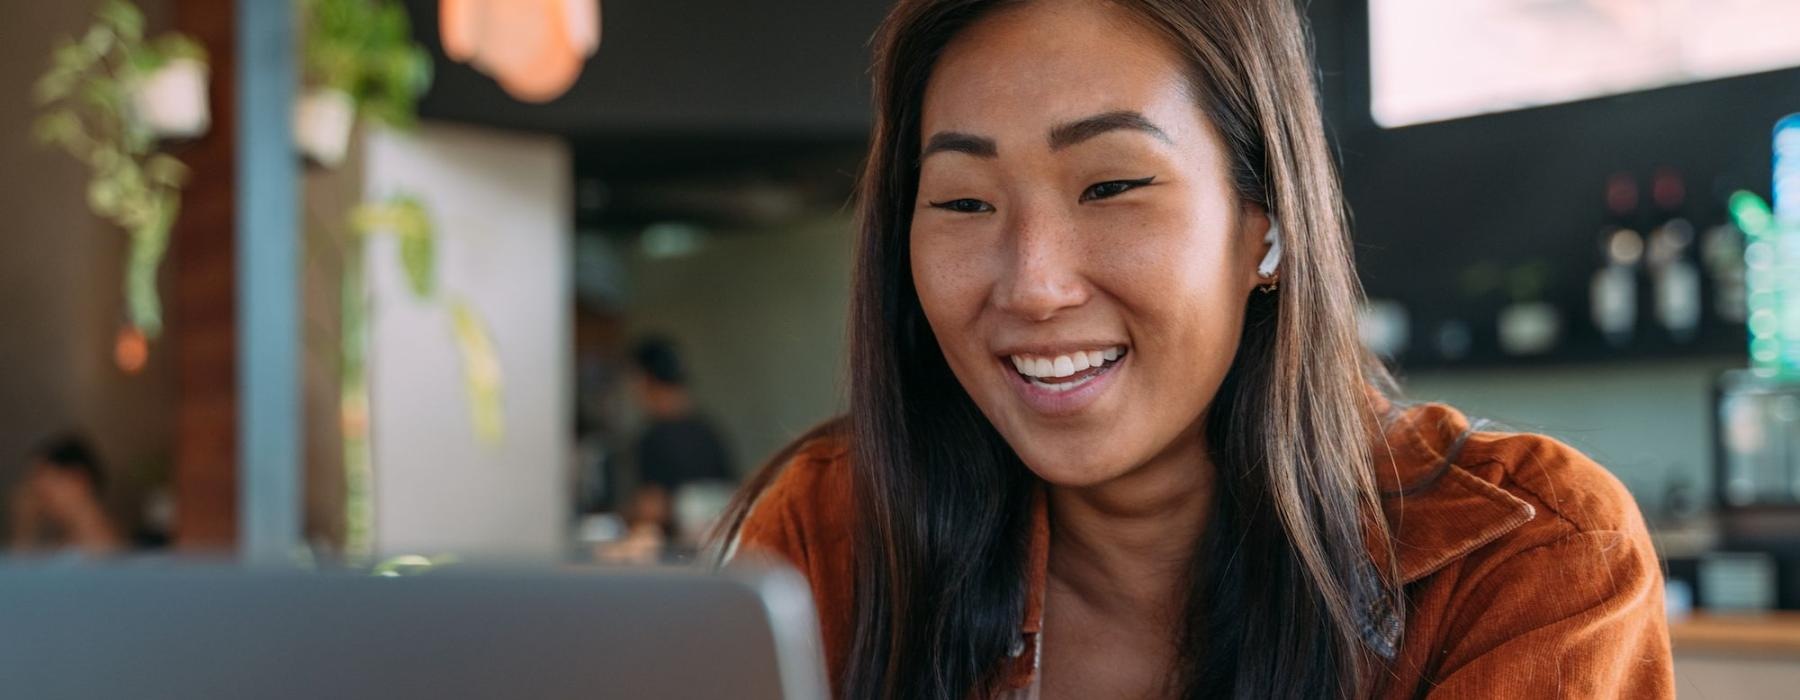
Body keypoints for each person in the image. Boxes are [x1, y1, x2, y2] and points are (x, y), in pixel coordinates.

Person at [715, 1, 1674, 698]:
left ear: (1264, 222)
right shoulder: (832, 535)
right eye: (964, 202)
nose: (1034, 285)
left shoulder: (1528, 562)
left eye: (1113, 186)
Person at [624, 337, 735, 545]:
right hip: (716, 554)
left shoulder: (654, 438)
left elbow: (652, 508)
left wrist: (624, 517)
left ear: (644, 380)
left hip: (676, 557)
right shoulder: (710, 432)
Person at [8, 434, 124, 557]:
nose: (41, 505)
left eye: (46, 495)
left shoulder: (113, 549)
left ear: (79, 480)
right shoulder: (60, 549)